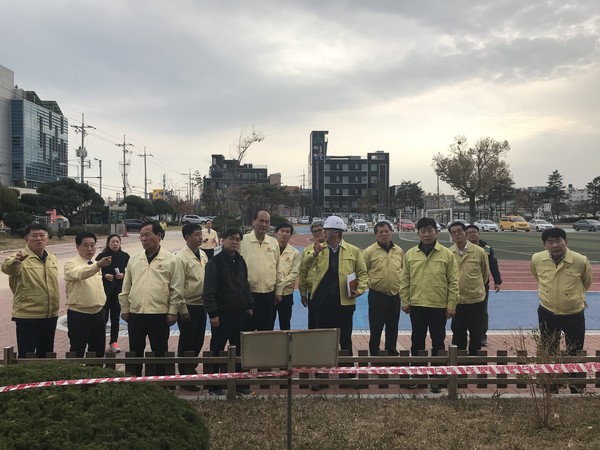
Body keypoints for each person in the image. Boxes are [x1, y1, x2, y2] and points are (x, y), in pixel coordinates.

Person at [119, 220, 187, 376]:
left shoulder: (172, 260)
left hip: (159, 314)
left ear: (159, 235)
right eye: (141, 236)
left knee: (159, 352)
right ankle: (134, 383)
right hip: (136, 314)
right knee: (135, 352)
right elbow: (126, 287)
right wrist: (125, 308)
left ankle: (160, 385)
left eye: (147, 235)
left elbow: (177, 288)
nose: (143, 239)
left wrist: (172, 311)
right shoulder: (134, 259)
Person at [399, 217, 459, 393]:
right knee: (416, 341)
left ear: (436, 232)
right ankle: (417, 376)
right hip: (417, 305)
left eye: (429, 231)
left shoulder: (446, 254)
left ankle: (436, 378)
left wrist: (451, 305)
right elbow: (405, 279)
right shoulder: (410, 254)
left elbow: (454, 281)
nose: (426, 234)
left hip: (438, 306)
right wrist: (405, 300)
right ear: (417, 233)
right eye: (422, 231)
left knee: (438, 342)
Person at [531, 227, 593, 394]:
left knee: (575, 348)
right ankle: (551, 385)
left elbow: (586, 282)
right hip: (547, 311)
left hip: (573, 313)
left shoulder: (580, 260)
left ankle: (575, 385)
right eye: (550, 242)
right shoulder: (537, 259)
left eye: (558, 241)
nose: (555, 245)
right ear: (545, 245)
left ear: (566, 242)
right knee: (549, 348)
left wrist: (573, 298)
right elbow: (537, 277)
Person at [306, 215, 368, 356]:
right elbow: (305, 266)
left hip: (344, 303)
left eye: (327, 230)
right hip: (322, 302)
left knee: (345, 338)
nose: (324, 232)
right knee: (323, 338)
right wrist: (314, 254)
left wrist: (360, 289)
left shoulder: (354, 251)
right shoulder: (318, 249)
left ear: (337, 232)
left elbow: (362, 273)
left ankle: (347, 373)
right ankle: (322, 372)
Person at [203, 228, 254, 396]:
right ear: (223, 240)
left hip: (240, 313)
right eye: (231, 238)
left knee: (240, 349)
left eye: (238, 239)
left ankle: (239, 383)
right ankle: (213, 385)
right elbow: (209, 290)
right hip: (222, 314)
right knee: (217, 349)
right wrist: (213, 314)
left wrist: (249, 305)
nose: (235, 242)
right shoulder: (214, 262)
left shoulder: (240, 261)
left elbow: (245, 285)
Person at [1, 223, 60, 358]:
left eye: (42, 235)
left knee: (46, 355)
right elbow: (7, 268)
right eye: (34, 236)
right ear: (26, 239)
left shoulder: (52, 258)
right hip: (28, 316)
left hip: (50, 315)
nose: (38, 239)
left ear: (47, 238)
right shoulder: (19, 257)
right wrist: (16, 262)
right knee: (27, 356)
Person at [64, 232, 112, 358]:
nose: (90, 249)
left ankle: (95, 376)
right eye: (85, 245)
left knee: (98, 350)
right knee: (77, 350)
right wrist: (97, 265)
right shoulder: (71, 264)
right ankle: (76, 376)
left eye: (92, 245)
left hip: (98, 313)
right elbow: (81, 273)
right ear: (77, 247)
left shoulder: (94, 264)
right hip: (79, 314)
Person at [448, 221, 490, 356]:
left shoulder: (480, 252)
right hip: (457, 301)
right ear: (451, 236)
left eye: (459, 231)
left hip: (475, 300)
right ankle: (459, 362)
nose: (457, 235)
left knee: (476, 333)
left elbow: (484, 274)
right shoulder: (449, 253)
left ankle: (474, 361)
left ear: (465, 232)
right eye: (453, 233)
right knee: (458, 332)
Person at [175, 223, 209, 391]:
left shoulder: (202, 254)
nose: (200, 237)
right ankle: (184, 375)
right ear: (187, 237)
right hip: (188, 306)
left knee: (198, 340)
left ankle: (191, 368)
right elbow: (178, 285)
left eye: (200, 234)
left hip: (201, 305)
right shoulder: (181, 258)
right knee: (187, 342)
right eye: (196, 234)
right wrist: (182, 309)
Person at [363, 220, 404, 356]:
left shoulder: (398, 250)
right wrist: (371, 282)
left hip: (394, 295)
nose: (384, 234)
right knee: (376, 328)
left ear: (391, 233)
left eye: (387, 231)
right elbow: (362, 272)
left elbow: (402, 269)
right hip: (377, 296)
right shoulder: (369, 252)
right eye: (381, 232)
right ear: (376, 235)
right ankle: (374, 353)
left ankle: (391, 351)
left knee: (393, 327)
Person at [240, 210, 282, 331]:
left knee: (266, 331)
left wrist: (278, 291)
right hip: (248, 295)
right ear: (253, 222)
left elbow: (278, 268)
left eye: (267, 222)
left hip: (268, 296)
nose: (264, 225)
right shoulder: (243, 241)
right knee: (247, 331)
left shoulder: (273, 243)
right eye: (261, 221)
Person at [466, 224, 502, 346]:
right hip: (465, 285)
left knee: (482, 311)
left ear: (479, 233)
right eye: (469, 232)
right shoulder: (462, 248)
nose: (472, 234)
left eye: (474, 232)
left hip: (482, 285)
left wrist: (497, 281)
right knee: (461, 311)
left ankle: (481, 336)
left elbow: (493, 264)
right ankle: (462, 334)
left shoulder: (486, 248)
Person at [96, 234, 130, 353]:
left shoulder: (124, 256)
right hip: (104, 291)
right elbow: (94, 271)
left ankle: (113, 342)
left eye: (117, 242)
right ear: (108, 243)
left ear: (120, 243)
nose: (115, 244)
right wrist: (105, 276)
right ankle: (99, 341)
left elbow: (131, 272)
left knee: (115, 318)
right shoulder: (102, 256)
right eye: (112, 242)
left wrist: (123, 275)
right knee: (103, 318)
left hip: (118, 291)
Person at [273, 222, 301, 330]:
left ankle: (286, 346)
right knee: (267, 322)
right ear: (276, 233)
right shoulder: (269, 250)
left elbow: (294, 273)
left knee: (285, 324)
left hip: (286, 294)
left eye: (287, 232)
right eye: (282, 231)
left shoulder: (295, 253)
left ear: (291, 235)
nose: (284, 234)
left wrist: (279, 286)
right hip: (270, 292)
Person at [299, 220, 326, 329]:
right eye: (314, 231)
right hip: (312, 292)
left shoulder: (331, 248)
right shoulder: (307, 250)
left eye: (320, 230)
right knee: (313, 322)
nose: (317, 233)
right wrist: (302, 293)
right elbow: (303, 272)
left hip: (328, 292)